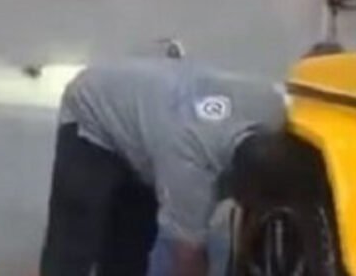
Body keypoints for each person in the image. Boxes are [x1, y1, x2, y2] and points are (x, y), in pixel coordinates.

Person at [38, 57, 286, 276]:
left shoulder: (274, 109)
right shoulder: (190, 168)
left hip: (153, 116)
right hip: (94, 109)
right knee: (75, 240)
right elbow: (188, 255)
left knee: (131, 244)